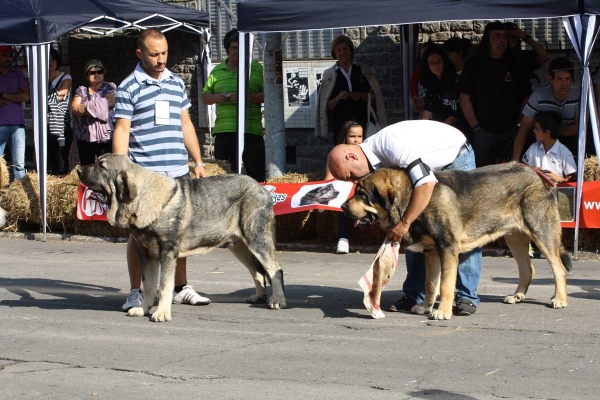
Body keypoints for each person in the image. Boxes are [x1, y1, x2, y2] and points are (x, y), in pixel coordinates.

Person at [326, 120, 482, 316]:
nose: (353, 181)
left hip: (455, 157)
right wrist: (403, 223)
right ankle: (415, 295)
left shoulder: (393, 147)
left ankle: (466, 296)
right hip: (430, 168)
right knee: (413, 233)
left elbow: (425, 183)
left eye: (349, 175)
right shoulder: (375, 159)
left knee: (457, 230)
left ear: (351, 156)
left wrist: (405, 223)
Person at [113, 28, 210, 311]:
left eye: (164, 52)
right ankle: (136, 291)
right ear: (140, 53)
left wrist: (199, 162)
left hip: (177, 172)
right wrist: (122, 171)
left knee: (177, 232)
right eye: (154, 54)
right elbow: (122, 129)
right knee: (137, 235)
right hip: (144, 176)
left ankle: (180, 287)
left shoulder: (175, 83)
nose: (161, 59)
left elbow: (186, 124)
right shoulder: (128, 87)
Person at [459, 21, 531, 167]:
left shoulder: (515, 62)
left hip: (511, 131)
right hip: (483, 132)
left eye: (504, 36)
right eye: (496, 36)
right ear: (487, 40)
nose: (501, 40)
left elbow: (527, 97)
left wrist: (519, 124)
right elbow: (464, 97)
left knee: (509, 175)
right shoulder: (475, 63)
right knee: (482, 176)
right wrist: (476, 128)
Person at [202, 29, 265, 182]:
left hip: (251, 132)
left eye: (241, 48)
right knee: (225, 179)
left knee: (256, 176)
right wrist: (218, 97)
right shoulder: (216, 71)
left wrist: (247, 97)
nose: (237, 51)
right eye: (234, 48)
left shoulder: (257, 68)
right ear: (227, 50)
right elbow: (205, 97)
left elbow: (269, 96)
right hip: (224, 131)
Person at [315, 35, 386, 144]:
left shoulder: (363, 69)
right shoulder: (329, 74)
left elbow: (375, 97)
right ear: (334, 53)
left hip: (364, 121)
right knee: (343, 154)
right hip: (341, 124)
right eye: (338, 50)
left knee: (365, 152)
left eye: (345, 49)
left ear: (351, 50)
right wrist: (338, 98)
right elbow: (326, 105)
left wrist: (362, 95)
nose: (342, 52)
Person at [512, 57, 579, 161]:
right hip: (541, 140)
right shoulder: (538, 95)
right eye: (560, 79)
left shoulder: (579, 95)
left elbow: (579, 128)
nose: (564, 83)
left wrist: (550, 132)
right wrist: (515, 161)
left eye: (567, 79)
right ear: (550, 79)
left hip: (568, 140)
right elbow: (524, 127)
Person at [71, 59, 116, 166]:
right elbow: (74, 108)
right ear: (87, 75)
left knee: (106, 166)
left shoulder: (110, 86)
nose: (96, 74)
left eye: (99, 71)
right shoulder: (81, 90)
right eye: (92, 72)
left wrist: (85, 107)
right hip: (84, 135)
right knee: (87, 167)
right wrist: (99, 108)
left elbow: (110, 102)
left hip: (105, 137)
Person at [419, 44, 469, 137]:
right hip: (439, 126)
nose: (436, 65)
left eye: (439, 61)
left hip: (458, 130)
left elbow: (456, 113)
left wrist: (438, 129)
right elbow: (428, 106)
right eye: (432, 63)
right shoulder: (429, 82)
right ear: (427, 65)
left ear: (444, 61)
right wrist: (422, 127)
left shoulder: (455, 81)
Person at [0, 45, 30, 181]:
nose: (8, 58)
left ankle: (19, 196)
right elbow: (21, 96)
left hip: (18, 125)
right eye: (4, 55)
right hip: (0, 124)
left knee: (19, 164)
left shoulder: (18, 74)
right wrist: (15, 97)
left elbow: (26, 97)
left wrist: (4, 95)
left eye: (10, 55)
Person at [334, 120, 364, 254]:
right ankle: (343, 239)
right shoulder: (337, 154)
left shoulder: (369, 152)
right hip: (346, 190)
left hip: (365, 189)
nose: (356, 140)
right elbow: (330, 176)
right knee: (344, 203)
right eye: (352, 136)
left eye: (359, 136)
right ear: (345, 137)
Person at [522, 111, 576, 183]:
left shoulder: (564, 152)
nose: (534, 131)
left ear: (547, 132)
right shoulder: (533, 148)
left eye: (537, 128)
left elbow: (571, 178)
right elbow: (524, 170)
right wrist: (533, 171)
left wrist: (559, 179)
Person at [503, 21, 551, 91]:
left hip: (524, 98)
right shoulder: (496, 57)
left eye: (513, 35)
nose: (510, 38)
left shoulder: (524, 57)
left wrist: (525, 37)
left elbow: (545, 56)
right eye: (506, 36)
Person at [47, 48, 72, 175]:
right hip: (45, 122)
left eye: (53, 59)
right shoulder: (40, 78)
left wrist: (45, 97)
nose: (51, 62)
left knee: (62, 157)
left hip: (61, 122)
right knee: (50, 159)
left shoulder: (65, 77)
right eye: (48, 59)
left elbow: (61, 94)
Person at [409, 42, 434, 115]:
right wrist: (414, 95)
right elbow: (413, 82)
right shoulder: (420, 68)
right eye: (422, 54)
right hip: (422, 99)